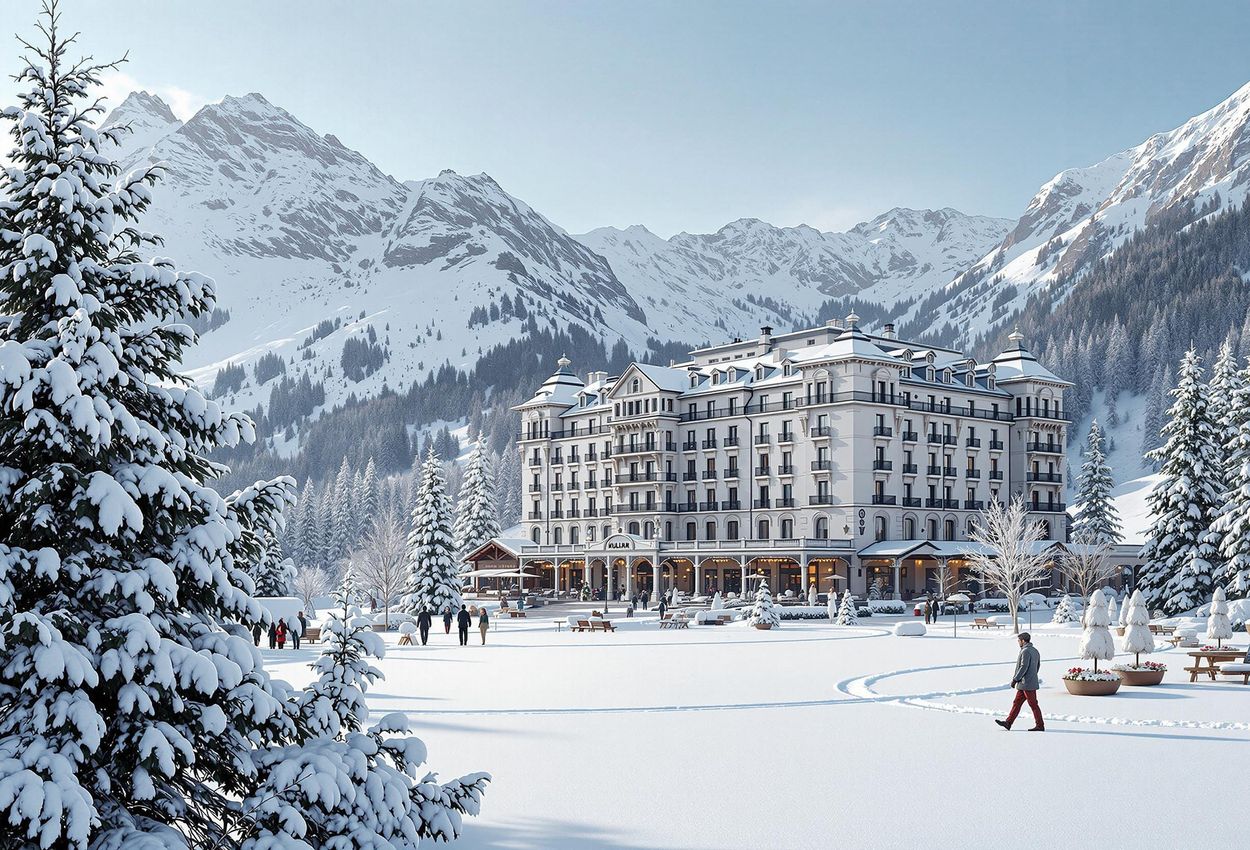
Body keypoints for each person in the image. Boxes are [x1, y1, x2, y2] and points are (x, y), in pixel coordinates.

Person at [996, 632, 1044, 732]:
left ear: (1023, 641)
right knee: (1016, 703)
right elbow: (1037, 666)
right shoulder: (1035, 651)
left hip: (1026, 683)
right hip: (1026, 683)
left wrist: (1015, 679)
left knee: (1033, 704)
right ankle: (1008, 723)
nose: (1018, 642)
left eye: (1019, 640)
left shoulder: (1025, 651)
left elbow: (1023, 667)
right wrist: (1032, 676)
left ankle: (1040, 725)